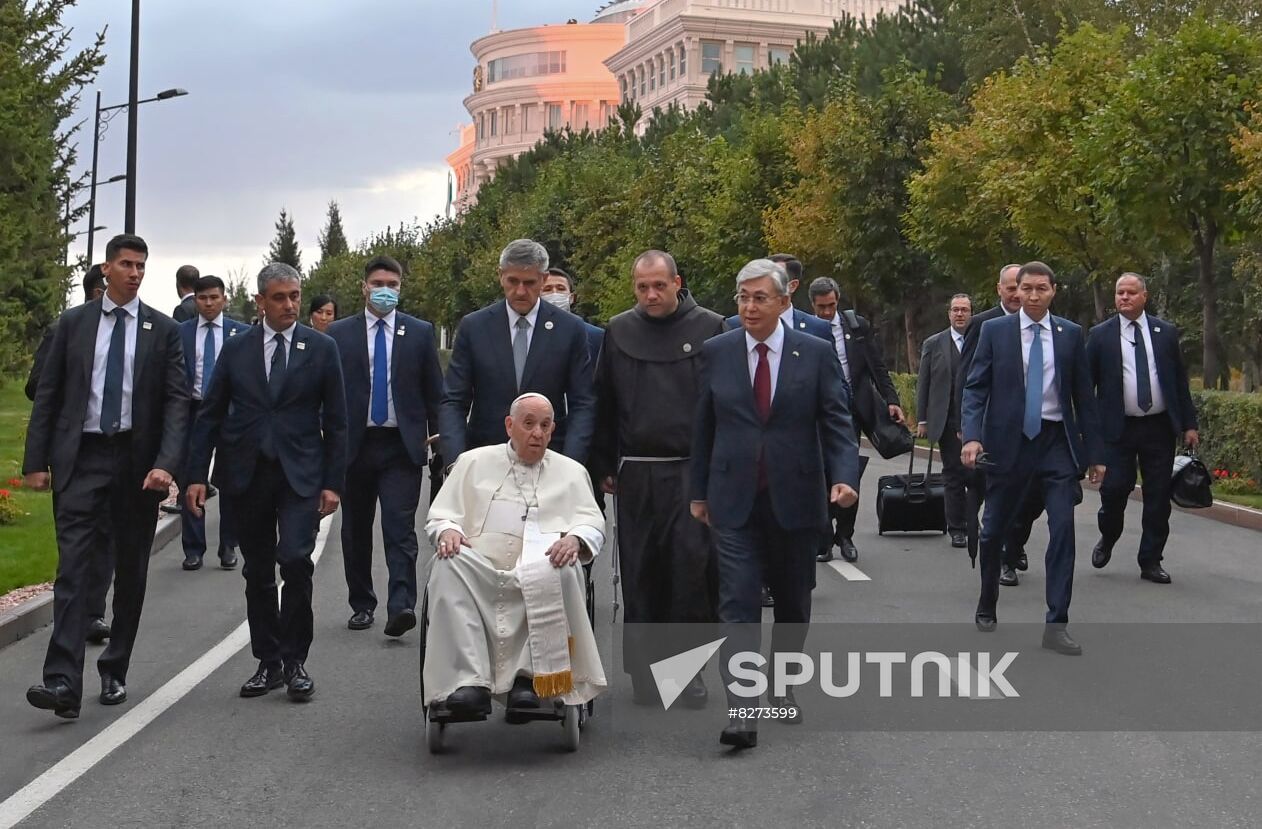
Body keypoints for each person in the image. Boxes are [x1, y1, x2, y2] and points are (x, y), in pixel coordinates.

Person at [691, 259, 860, 749]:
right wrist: (699, 491)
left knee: (792, 603)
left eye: (760, 298)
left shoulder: (816, 351)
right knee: (738, 603)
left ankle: (784, 685)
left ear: (785, 303)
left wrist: (844, 478)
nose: (748, 306)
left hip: (795, 496)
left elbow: (837, 422)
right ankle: (742, 711)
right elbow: (703, 426)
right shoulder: (716, 352)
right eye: (742, 296)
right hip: (733, 498)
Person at [23, 234, 189, 718]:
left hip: (137, 467)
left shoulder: (162, 331)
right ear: (106, 269)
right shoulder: (74, 324)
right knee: (73, 568)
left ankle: (114, 667)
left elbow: (178, 403)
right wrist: (36, 462)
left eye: (141, 266)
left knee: (131, 570)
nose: (135, 273)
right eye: (126, 264)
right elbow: (49, 394)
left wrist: (167, 464)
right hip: (83, 459)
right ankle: (61, 682)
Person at [186, 263, 348, 701]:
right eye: (279, 297)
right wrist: (197, 475)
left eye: (295, 296)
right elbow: (211, 413)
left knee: (295, 560)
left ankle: (296, 661)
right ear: (260, 302)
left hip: (300, 475)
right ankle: (268, 661)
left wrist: (333, 483)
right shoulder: (237, 350)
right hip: (247, 473)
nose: (290, 305)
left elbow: (336, 421)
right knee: (257, 570)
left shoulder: (320, 348)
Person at [591, 249, 726, 707]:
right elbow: (604, 401)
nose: (651, 294)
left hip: (692, 469)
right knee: (642, 572)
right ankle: (648, 674)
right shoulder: (620, 331)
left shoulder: (710, 328)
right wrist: (605, 461)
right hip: (638, 472)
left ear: (676, 282)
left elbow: (723, 405)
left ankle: (688, 672)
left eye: (659, 285)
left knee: (692, 572)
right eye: (642, 287)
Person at [423, 393, 607, 716]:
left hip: (541, 563)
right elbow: (442, 515)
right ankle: (469, 681)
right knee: (447, 563)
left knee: (563, 568)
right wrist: (448, 530)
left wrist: (576, 539)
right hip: (480, 569)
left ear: (552, 431)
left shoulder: (572, 472)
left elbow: (592, 522)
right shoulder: (472, 463)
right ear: (510, 425)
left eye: (546, 426)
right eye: (529, 424)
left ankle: (531, 677)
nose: (538, 433)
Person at [961, 261, 1104, 656]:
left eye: (1042, 288)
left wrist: (1094, 453)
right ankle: (988, 600)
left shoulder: (1071, 335)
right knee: (992, 533)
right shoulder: (995, 331)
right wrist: (972, 436)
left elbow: (1084, 398)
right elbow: (975, 388)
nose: (1034, 295)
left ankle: (1056, 624)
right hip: (1008, 446)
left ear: (1053, 290)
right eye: (1027, 289)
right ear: (1015, 291)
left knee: (1063, 530)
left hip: (1056, 444)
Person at [327, 255, 443, 636]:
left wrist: (444, 443)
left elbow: (434, 393)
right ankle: (362, 603)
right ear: (364, 287)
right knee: (355, 529)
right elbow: (325, 393)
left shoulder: (420, 332)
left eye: (392, 285)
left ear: (400, 288)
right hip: (354, 447)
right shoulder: (339, 335)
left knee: (399, 527)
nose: (385, 291)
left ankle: (401, 605)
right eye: (378, 283)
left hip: (400, 446)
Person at [439, 239, 596, 465]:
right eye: (513, 281)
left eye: (529, 282)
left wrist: (571, 463)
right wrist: (456, 460)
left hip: (550, 458)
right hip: (486, 458)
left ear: (543, 279)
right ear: (500, 275)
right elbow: (454, 400)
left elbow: (583, 402)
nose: (520, 291)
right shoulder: (474, 327)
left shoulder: (569, 329)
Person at [1087, 273, 1199, 584]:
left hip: (1158, 428)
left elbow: (1179, 381)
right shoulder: (1100, 336)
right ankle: (1108, 536)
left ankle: (1150, 559)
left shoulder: (1165, 332)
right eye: (1119, 292)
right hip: (1118, 429)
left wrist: (1189, 423)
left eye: (1131, 292)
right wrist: (1089, 434)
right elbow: (1086, 387)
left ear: (1144, 297)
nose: (1124, 297)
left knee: (1158, 496)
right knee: (1113, 491)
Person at [26, 266, 113, 646]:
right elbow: (37, 387)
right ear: (96, 292)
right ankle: (75, 613)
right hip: (73, 451)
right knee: (75, 539)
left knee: (105, 538)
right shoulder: (65, 328)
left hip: (111, 451)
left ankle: (93, 611)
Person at [807, 276, 904, 563]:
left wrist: (893, 400)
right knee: (821, 476)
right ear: (812, 305)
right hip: (817, 412)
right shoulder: (807, 330)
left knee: (848, 473)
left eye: (831, 305)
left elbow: (876, 366)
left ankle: (845, 535)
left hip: (851, 410)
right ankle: (823, 539)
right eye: (821, 307)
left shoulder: (855, 326)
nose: (827, 312)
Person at [958, 264, 1042, 583]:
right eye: (1011, 288)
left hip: (1039, 431)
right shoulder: (984, 325)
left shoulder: (1050, 326)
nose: (1019, 294)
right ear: (1001, 290)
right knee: (1002, 495)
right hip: (997, 430)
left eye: (1021, 287)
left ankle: (1015, 542)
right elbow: (968, 380)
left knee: (1035, 496)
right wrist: (968, 429)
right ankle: (1004, 557)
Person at [178, 275, 249, 571]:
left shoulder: (241, 333)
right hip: (192, 410)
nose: (208, 303)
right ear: (195, 300)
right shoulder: (179, 332)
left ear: (224, 299)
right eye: (203, 298)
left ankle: (228, 544)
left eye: (214, 297)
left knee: (231, 479)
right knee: (190, 477)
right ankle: (193, 548)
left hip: (230, 412)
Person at [916, 293, 973, 548]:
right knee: (953, 473)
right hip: (946, 418)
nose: (960, 314)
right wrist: (922, 419)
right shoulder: (934, 343)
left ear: (972, 314)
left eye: (965, 310)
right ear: (948, 313)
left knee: (978, 475)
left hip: (974, 419)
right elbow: (924, 383)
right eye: (955, 310)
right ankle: (957, 527)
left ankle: (972, 519)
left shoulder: (981, 340)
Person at [541, 266, 603, 367]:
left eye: (561, 288)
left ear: (571, 298)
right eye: (547, 289)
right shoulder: (528, 335)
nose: (554, 293)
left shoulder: (595, 336)